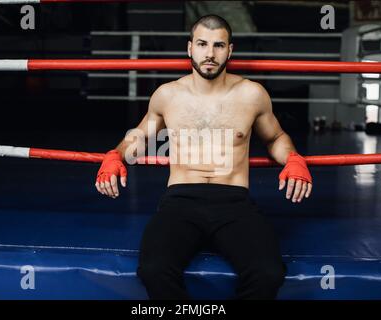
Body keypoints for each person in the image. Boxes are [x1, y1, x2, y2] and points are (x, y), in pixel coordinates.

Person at [95, 15, 313, 300]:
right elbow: (139, 136)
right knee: (154, 270)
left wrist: (295, 159)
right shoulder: (167, 95)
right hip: (180, 201)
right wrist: (115, 155)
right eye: (202, 44)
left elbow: (275, 138)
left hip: (234, 202)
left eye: (218, 45)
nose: (210, 53)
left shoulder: (252, 94)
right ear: (190, 48)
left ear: (230, 50)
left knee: (268, 273)